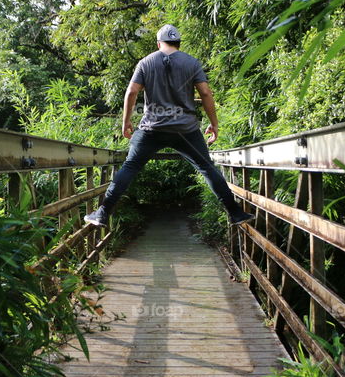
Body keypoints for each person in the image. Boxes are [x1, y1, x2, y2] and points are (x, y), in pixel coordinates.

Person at [84, 24, 255, 228]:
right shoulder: (192, 63)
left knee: (130, 166)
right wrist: (214, 124)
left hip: (151, 130)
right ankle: (235, 213)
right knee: (207, 168)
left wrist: (126, 122)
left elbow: (131, 92)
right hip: (186, 131)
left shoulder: (146, 62)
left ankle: (103, 213)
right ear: (178, 44)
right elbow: (206, 93)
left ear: (158, 44)